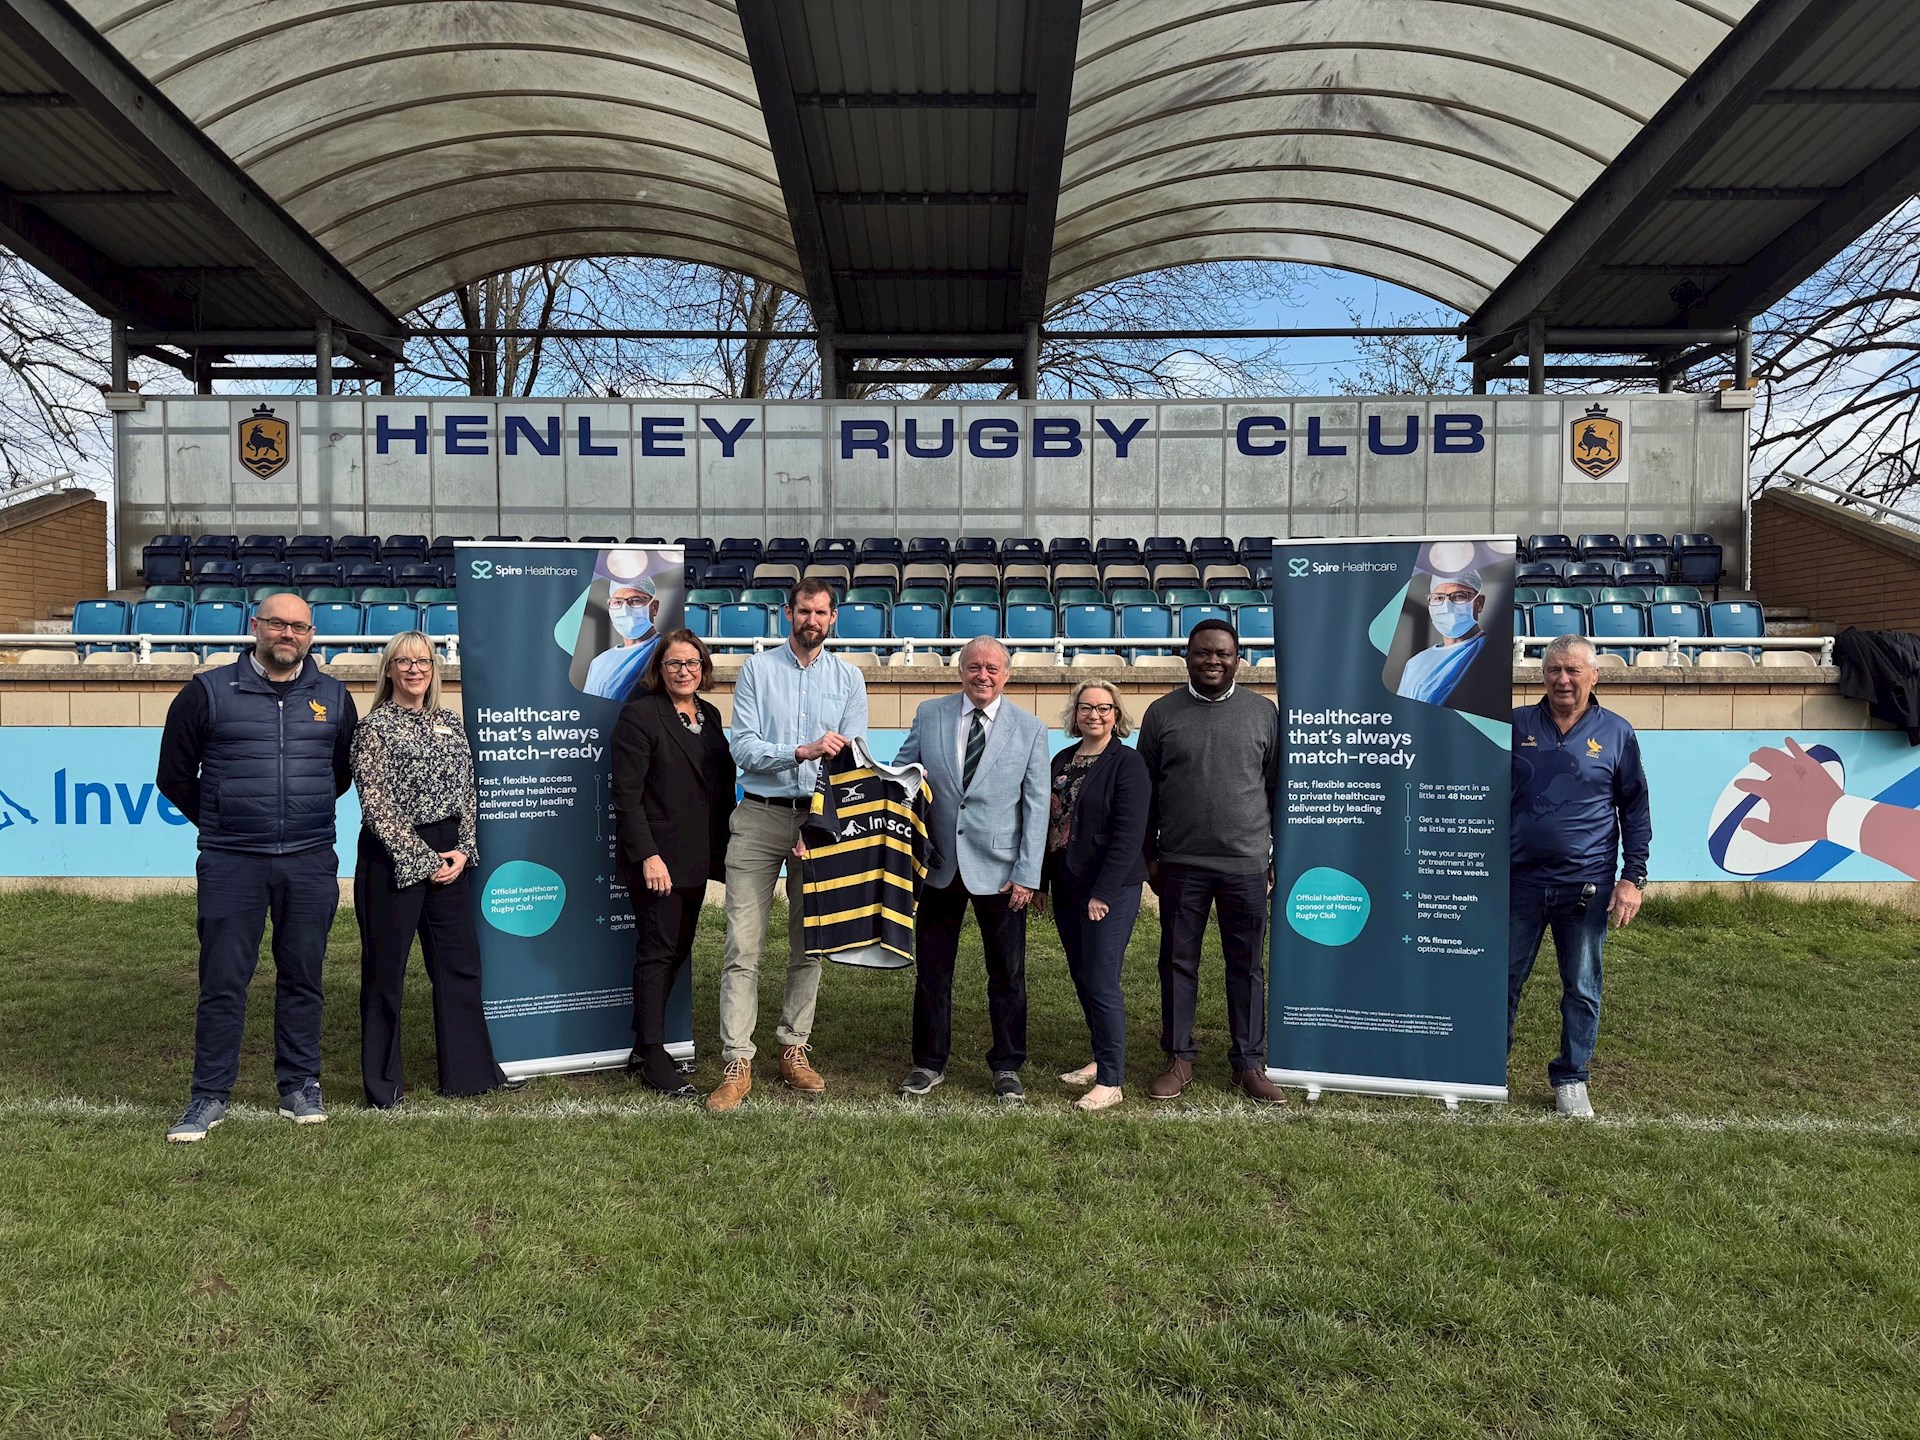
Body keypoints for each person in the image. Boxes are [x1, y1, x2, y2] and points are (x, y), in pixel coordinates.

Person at [155, 592, 357, 1142]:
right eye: (276, 624)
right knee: (223, 980)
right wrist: (222, 821)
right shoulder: (206, 691)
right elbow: (173, 776)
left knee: (303, 976)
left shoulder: (335, 697)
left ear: (311, 635)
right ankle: (209, 1094)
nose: (286, 634)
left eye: (298, 627)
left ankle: (299, 1085)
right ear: (256, 626)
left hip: (310, 859)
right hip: (231, 862)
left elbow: (338, 774)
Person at [710, 578, 868, 1111]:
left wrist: (819, 825)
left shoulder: (849, 678)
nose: (813, 620)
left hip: (819, 823)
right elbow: (745, 750)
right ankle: (738, 1058)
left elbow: (852, 762)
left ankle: (793, 1048)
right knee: (743, 944)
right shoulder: (758, 670)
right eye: (805, 611)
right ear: (788, 613)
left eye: (822, 612)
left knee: (812, 942)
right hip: (759, 814)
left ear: (833, 618)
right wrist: (801, 751)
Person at [350, 631, 512, 1109]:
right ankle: (383, 1086)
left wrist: (462, 850)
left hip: (450, 856)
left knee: (460, 968)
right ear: (389, 670)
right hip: (392, 857)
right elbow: (375, 804)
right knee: (386, 972)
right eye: (404, 662)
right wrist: (421, 859)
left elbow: (468, 791)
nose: (415, 669)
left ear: (434, 669)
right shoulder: (374, 728)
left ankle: (470, 1075)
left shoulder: (449, 722)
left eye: (423, 661)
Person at [1138, 619, 1287, 1105]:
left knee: (1247, 965)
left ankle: (1249, 1061)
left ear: (1238, 657)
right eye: (1203, 653)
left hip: (1245, 864)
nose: (1213, 661)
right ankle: (1179, 1058)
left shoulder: (1264, 713)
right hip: (1180, 864)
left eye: (1222, 653)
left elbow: (1275, 790)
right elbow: (1146, 794)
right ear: (1187, 655)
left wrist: (1274, 858)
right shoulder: (1161, 714)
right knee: (1178, 962)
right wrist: (1150, 859)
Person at [895, 637, 1050, 1102]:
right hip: (939, 866)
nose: (983, 676)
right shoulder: (930, 714)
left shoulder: (1031, 729)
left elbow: (1037, 805)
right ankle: (928, 1062)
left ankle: (1007, 1065)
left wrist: (1028, 873)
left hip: (1002, 872)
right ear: (960, 670)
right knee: (933, 973)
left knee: (1007, 974)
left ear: (1007, 675)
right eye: (974, 667)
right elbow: (903, 773)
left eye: (992, 668)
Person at [1509, 634, 1650, 1119]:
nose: (1562, 680)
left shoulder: (1616, 732)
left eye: (1572, 670)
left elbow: (1634, 810)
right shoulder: (1515, 724)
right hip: (1517, 882)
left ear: (1594, 676)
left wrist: (1633, 878)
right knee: (1501, 981)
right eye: (1553, 670)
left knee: (1582, 985)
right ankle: (1487, 1067)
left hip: (1586, 886)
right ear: (1541, 674)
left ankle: (1572, 1077)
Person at [610, 629, 736, 1097]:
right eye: (674, 664)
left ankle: (645, 1047)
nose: (685, 671)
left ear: (703, 668)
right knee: (657, 952)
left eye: (692, 663)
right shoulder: (640, 716)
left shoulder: (711, 715)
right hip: (658, 862)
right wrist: (648, 855)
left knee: (678, 950)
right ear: (658, 670)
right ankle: (653, 1053)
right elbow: (627, 797)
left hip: (696, 858)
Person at [1043, 681, 1150, 1112]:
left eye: (1104, 708)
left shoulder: (1128, 764)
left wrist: (1103, 892)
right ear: (1075, 714)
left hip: (1110, 888)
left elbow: (1129, 835)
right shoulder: (1061, 760)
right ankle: (1099, 1056)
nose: (1095, 715)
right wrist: (1043, 885)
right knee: (1082, 975)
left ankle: (1111, 1078)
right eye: (1086, 708)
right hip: (1068, 884)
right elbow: (1049, 826)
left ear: (1116, 714)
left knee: (1103, 980)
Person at [1398, 569, 1486, 705]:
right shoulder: (1415, 664)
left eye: (1458, 596)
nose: (1447, 606)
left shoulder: (1492, 650)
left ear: (1479, 603)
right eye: (1439, 598)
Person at [584, 568, 660, 701]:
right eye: (617, 602)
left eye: (635, 600)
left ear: (654, 607)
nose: (625, 609)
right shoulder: (598, 663)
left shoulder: (666, 649)